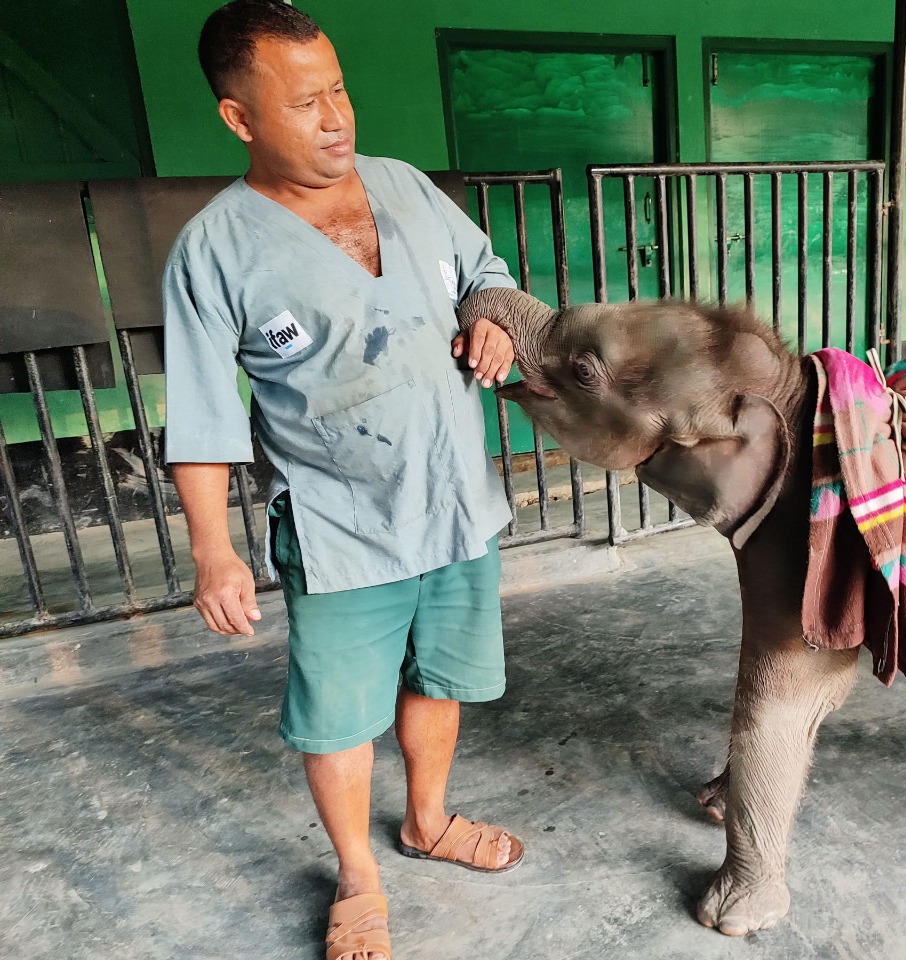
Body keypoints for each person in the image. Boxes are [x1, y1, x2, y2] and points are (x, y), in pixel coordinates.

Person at [163, 3, 525, 957]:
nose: (336, 119)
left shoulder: (404, 185)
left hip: (453, 508)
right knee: (337, 719)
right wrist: (214, 551)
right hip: (339, 527)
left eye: (340, 91)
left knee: (438, 678)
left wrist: (493, 315)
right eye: (305, 103)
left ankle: (429, 820)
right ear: (240, 120)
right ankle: (358, 880)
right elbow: (200, 417)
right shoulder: (215, 250)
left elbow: (487, 272)